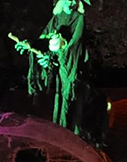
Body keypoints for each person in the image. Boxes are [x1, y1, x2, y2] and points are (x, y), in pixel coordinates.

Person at [11, 0, 89, 131]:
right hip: (59, 70)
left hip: (71, 71)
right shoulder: (57, 17)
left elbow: (75, 43)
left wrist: (61, 51)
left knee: (71, 101)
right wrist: (31, 44)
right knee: (59, 100)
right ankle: (59, 130)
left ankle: (71, 131)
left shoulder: (79, 18)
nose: (70, 3)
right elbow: (45, 37)